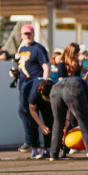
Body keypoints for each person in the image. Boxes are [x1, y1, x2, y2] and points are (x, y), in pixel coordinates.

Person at [48, 73, 88, 161]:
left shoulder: (83, 84)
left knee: (57, 122)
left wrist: (64, 131)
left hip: (56, 88)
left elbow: (66, 116)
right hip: (73, 88)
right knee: (84, 122)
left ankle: (53, 154)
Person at [14, 25, 50, 153]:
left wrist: (44, 84)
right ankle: (32, 142)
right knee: (24, 112)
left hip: (35, 85)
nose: (27, 36)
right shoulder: (22, 49)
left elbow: (46, 67)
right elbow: (21, 67)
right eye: (24, 34)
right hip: (23, 85)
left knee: (42, 113)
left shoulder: (39, 48)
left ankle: (42, 144)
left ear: (33, 34)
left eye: (29, 34)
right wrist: (15, 73)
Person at [27, 79, 55, 160]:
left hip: (44, 95)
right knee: (33, 124)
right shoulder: (34, 93)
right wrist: (42, 126)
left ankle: (47, 148)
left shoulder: (55, 87)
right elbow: (32, 110)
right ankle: (34, 149)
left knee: (49, 121)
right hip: (30, 96)